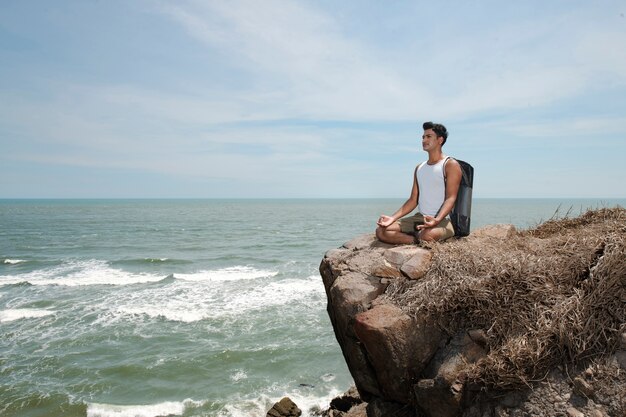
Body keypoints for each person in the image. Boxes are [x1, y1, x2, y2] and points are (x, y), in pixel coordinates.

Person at [376, 121, 462, 244]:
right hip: (419, 218)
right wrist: (392, 218)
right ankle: (416, 239)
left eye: (428, 136)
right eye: (423, 137)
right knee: (381, 231)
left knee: (427, 235)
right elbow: (413, 200)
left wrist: (436, 220)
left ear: (440, 140)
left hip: (442, 221)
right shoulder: (419, 168)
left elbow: (451, 198)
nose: (424, 140)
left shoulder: (450, 164)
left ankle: (420, 236)